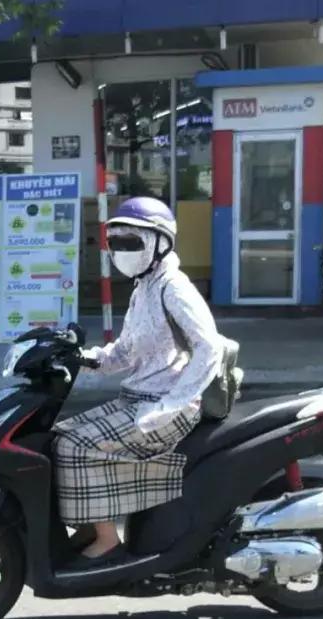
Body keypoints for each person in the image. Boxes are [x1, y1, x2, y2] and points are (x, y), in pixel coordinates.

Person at [53, 196, 223, 570]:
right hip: (138, 397)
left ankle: (108, 542)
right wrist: (83, 359)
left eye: (132, 243)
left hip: (168, 407)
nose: (120, 252)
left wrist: (172, 405)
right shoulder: (144, 288)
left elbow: (208, 346)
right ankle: (89, 524)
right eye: (115, 244)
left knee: (75, 448)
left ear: (160, 244)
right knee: (56, 437)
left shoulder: (173, 288)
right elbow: (127, 352)